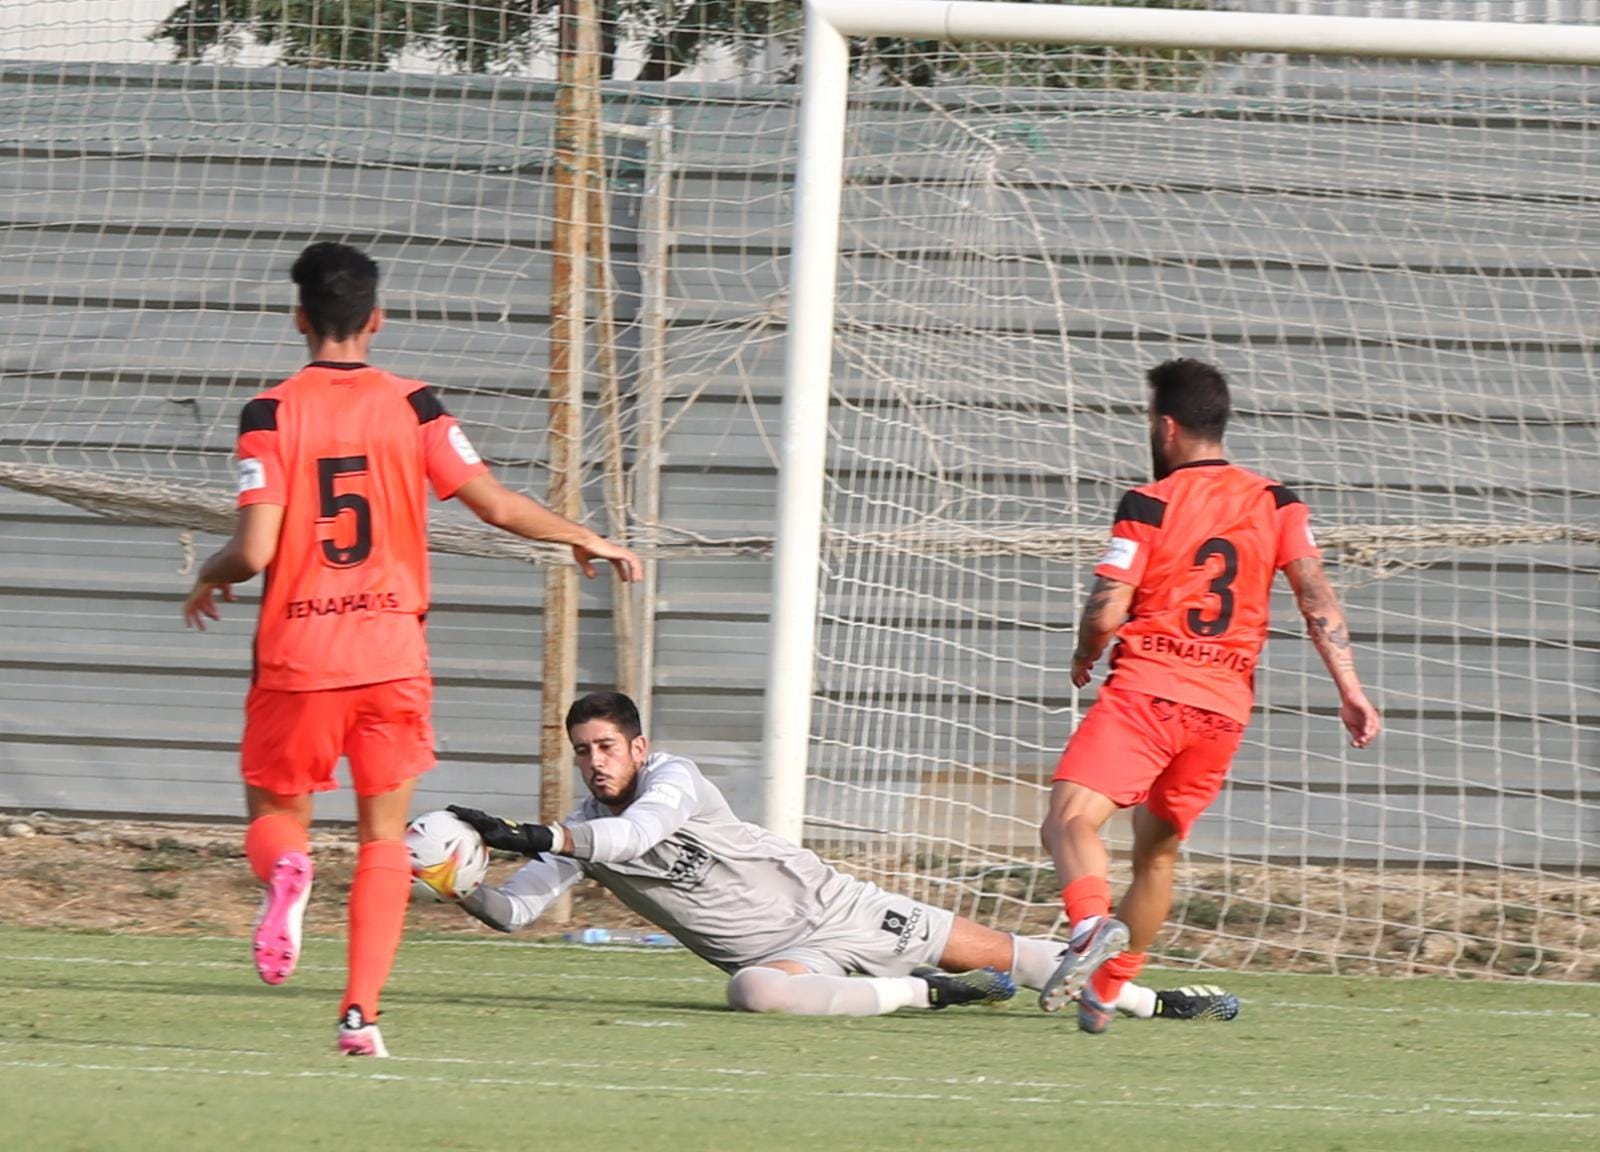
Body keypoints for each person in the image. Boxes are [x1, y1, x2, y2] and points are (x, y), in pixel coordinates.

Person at [182, 242, 642, 1057]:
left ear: (299, 319)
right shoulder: (415, 405)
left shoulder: (270, 414)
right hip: (391, 657)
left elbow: (253, 551)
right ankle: (360, 1017)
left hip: (300, 657)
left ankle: (287, 873)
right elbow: (493, 503)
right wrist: (582, 535)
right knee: (384, 843)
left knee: (277, 818)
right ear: (378, 319)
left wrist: (207, 575)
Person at [438, 691, 1240, 1022]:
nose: (595, 762)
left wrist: (520, 833)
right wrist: (456, 881)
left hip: (836, 908)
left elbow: (632, 837)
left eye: (606, 747)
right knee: (751, 993)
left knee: (1016, 957)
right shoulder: (582, 828)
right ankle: (927, 994)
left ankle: (1156, 1002)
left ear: (639, 747)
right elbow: (514, 910)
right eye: (583, 751)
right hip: (785, 957)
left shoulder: (674, 782)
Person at [1038, 358, 1381, 1034]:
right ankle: (1104, 994)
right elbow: (1316, 597)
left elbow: (1107, 609)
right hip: (1222, 712)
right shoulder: (1277, 502)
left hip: (1148, 693)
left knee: (1069, 820)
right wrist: (1352, 690)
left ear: (1166, 426)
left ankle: (1087, 927)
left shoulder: (1149, 502)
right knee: (1156, 854)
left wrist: (1084, 652)